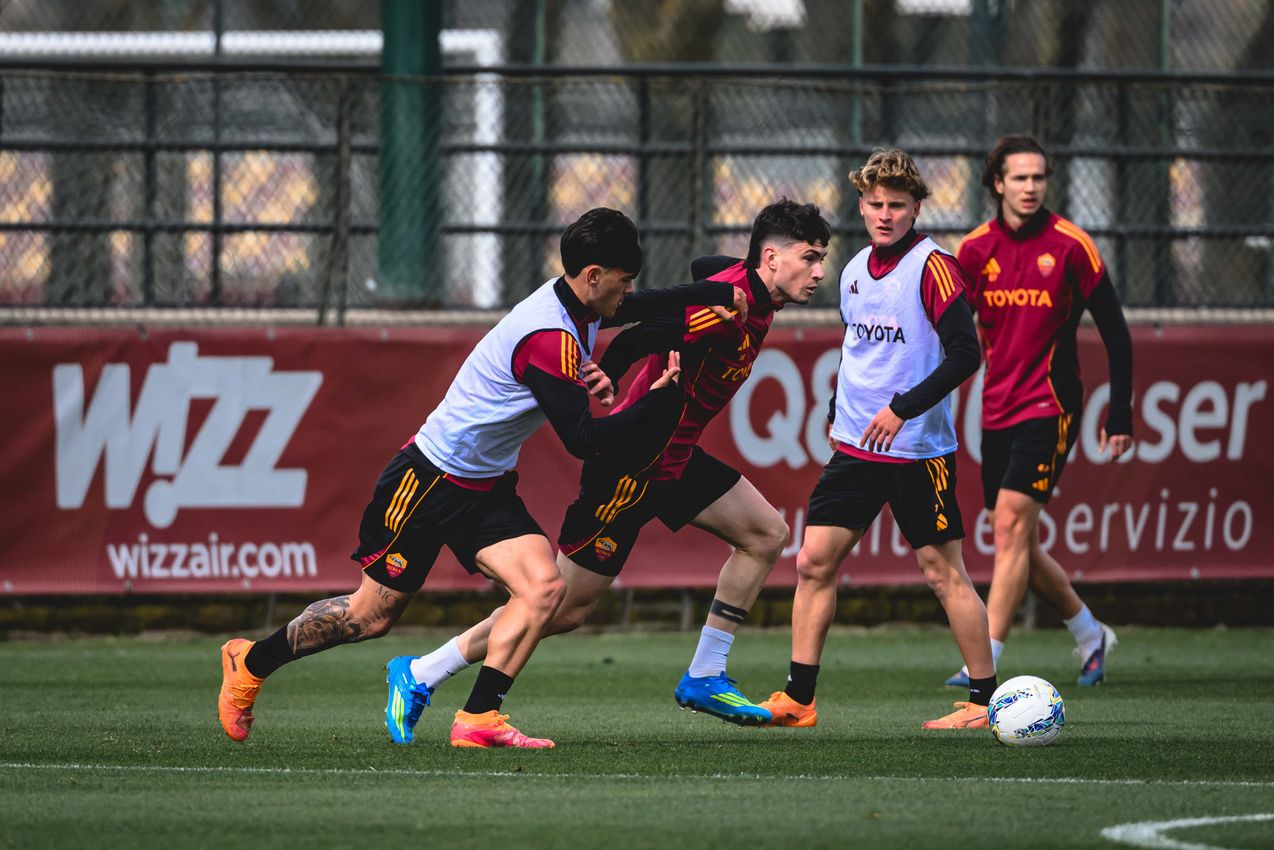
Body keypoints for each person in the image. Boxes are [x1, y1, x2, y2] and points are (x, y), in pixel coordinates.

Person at [218, 208, 746, 749]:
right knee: (369, 617)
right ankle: (250, 661)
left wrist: (713, 295)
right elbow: (582, 440)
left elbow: (639, 307)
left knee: (543, 589)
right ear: (592, 276)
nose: (628, 291)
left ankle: (479, 718)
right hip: (426, 482)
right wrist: (657, 403)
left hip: (485, 485)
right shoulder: (548, 335)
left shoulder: (579, 304)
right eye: (622, 278)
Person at [382, 199, 831, 742]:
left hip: (676, 458)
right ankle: (425, 672)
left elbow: (704, 267)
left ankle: (705, 675)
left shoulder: (742, 288)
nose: (820, 272)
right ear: (771, 257)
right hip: (632, 465)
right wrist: (609, 378)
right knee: (561, 610)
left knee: (766, 534)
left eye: (823, 258)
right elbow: (640, 333)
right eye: (810, 258)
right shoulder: (725, 310)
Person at [758, 149, 995, 730]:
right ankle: (799, 698)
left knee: (943, 572)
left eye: (896, 205)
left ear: (916, 207)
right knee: (814, 561)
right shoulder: (856, 267)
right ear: (861, 205)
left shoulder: (935, 266)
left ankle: (984, 702)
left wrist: (902, 409)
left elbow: (967, 353)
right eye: (874, 204)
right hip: (856, 448)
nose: (884, 214)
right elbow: (859, 352)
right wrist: (843, 412)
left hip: (918, 450)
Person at [947, 135, 1134, 689]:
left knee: (1008, 527)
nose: (1030, 187)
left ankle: (987, 660)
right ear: (997, 184)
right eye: (1019, 178)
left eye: (1038, 177)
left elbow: (1117, 335)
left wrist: (1119, 412)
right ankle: (1089, 631)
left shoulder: (1072, 245)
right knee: (1017, 539)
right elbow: (949, 333)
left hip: (1051, 405)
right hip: (995, 408)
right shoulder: (975, 250)